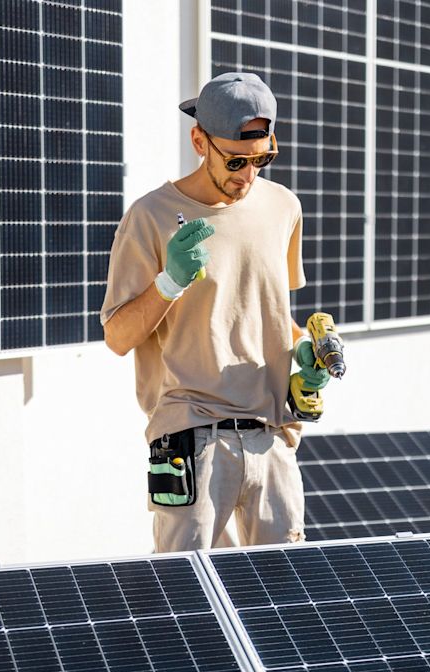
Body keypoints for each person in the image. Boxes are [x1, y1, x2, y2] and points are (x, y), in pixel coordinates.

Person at [100, 72, 333, 552]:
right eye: (236, 160)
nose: (248, 175)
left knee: (283, 601)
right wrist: (171, 281)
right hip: (192, 434)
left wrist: (307, 352)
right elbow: (118, 337)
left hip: (274, 433)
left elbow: (266, 312)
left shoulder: (284, 206)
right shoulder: (150, 216)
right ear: (198, 140)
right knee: (190, 599)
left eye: (262, 159)